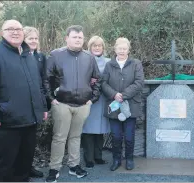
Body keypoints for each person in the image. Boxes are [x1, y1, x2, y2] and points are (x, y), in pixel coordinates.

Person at [0, 19, 48, 182]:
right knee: (4, 163)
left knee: (24, 161)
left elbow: (37, 85)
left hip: (30, 120)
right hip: (7, 121)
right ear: (1, 33)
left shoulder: (28, 55)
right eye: (10, 29)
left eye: (18, 29)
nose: (15, 31)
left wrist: (42, 107)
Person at [43, 25, 102, 182]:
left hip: (83, 105)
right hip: (62, 104)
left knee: (76, 137)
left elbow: (97, 79)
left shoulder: (89, 57)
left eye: (80, 37)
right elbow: (46, 79)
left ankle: (74, 166)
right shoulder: (56, 55)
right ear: (66, 38)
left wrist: (92, 99)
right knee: (60, 137)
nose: (78, 40)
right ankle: (54, 168)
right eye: (75, 37)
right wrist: (51, 99)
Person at [101, 37, 144, 171]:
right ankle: (116, 159)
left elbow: (139, 83)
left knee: (129, 136)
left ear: (128, 50)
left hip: (131, 105)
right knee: (116, 136)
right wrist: (114, 94)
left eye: (124, 48)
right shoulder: (109, 65)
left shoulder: (136, 63)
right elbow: (103, 83)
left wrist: (123, 95)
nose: (122, 51)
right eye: (119, 48)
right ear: (115, 49)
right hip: (114, 105)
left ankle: (129, 159)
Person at [81, 36, 111, 168]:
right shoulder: (83, 60)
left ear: (103, 48)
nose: (97, 48)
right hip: (88, 99)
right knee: (88, 129)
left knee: (100, 129)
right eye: (94, 45)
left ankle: (98, 156)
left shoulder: (109, 62)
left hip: (103, 99)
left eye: (99, 45)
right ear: (90, 47)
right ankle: (88, 158)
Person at [23, 26, 48, 178]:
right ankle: (19, 170)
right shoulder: (19, 56)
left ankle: (28, 167)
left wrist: (45, 104)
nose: (33, 41)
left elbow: (44, 81)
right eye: (30, 38)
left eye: (35, 38)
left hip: (36, 104)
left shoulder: (40, 57)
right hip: (22, 104)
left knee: (31, 140)